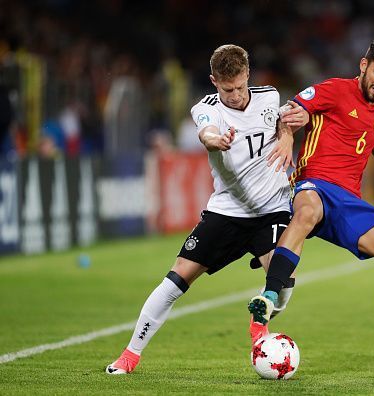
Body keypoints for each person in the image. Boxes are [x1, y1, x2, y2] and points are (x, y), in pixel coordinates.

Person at [106, 44, 309, 374]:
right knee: (175, 280)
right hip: (226, 211)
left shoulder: (269, 96)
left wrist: (286, 136)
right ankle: (130, 355)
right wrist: (216, 140)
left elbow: (287, 118)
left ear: (248, 75)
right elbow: (207, 132)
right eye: (227, 89)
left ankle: (258, 327)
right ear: (214, 81)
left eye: (240, 86)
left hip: (272, 210)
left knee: (283, 284)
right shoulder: (206, 108)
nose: (235, 95)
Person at [247, 38, 374, 377]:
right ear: (364, 65)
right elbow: (292, 110)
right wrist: (288, 136)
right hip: (313, 182)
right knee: (306, 213)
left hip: (349, 201)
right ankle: (270, 295)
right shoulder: (333, 90)